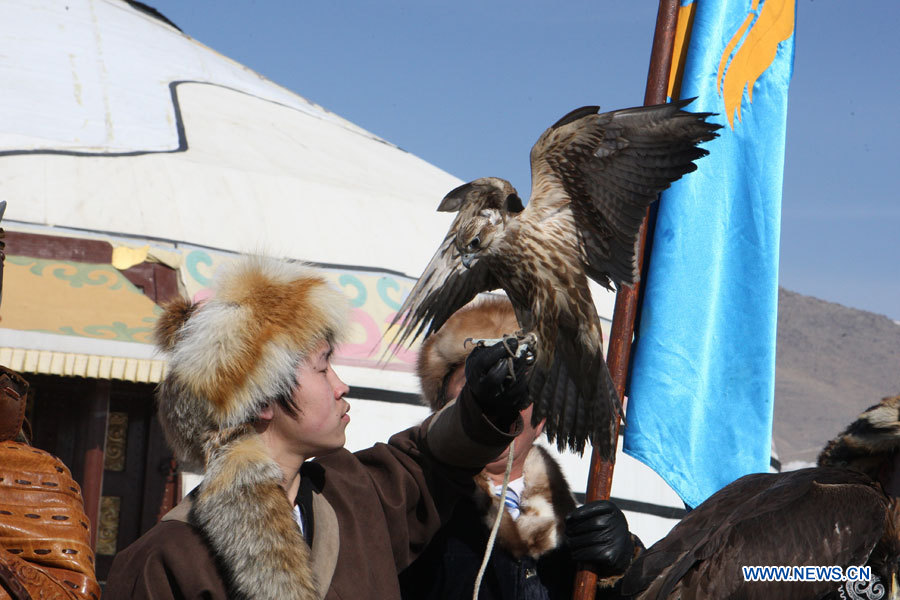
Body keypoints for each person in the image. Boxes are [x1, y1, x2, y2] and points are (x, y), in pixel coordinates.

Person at [105, 256, 533, 600]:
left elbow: (431, 459)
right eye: (324, 364)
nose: (341, 385)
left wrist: (483, 405)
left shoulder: (353, 494)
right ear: (264, 398)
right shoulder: (167, 560)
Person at [399, 297, 640, 600]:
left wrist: (623, 572)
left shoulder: (575, 537)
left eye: (516, 388)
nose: (499, 404)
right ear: (444, 408)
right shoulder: (409, 507)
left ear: (542, 417)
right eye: (480, 387)